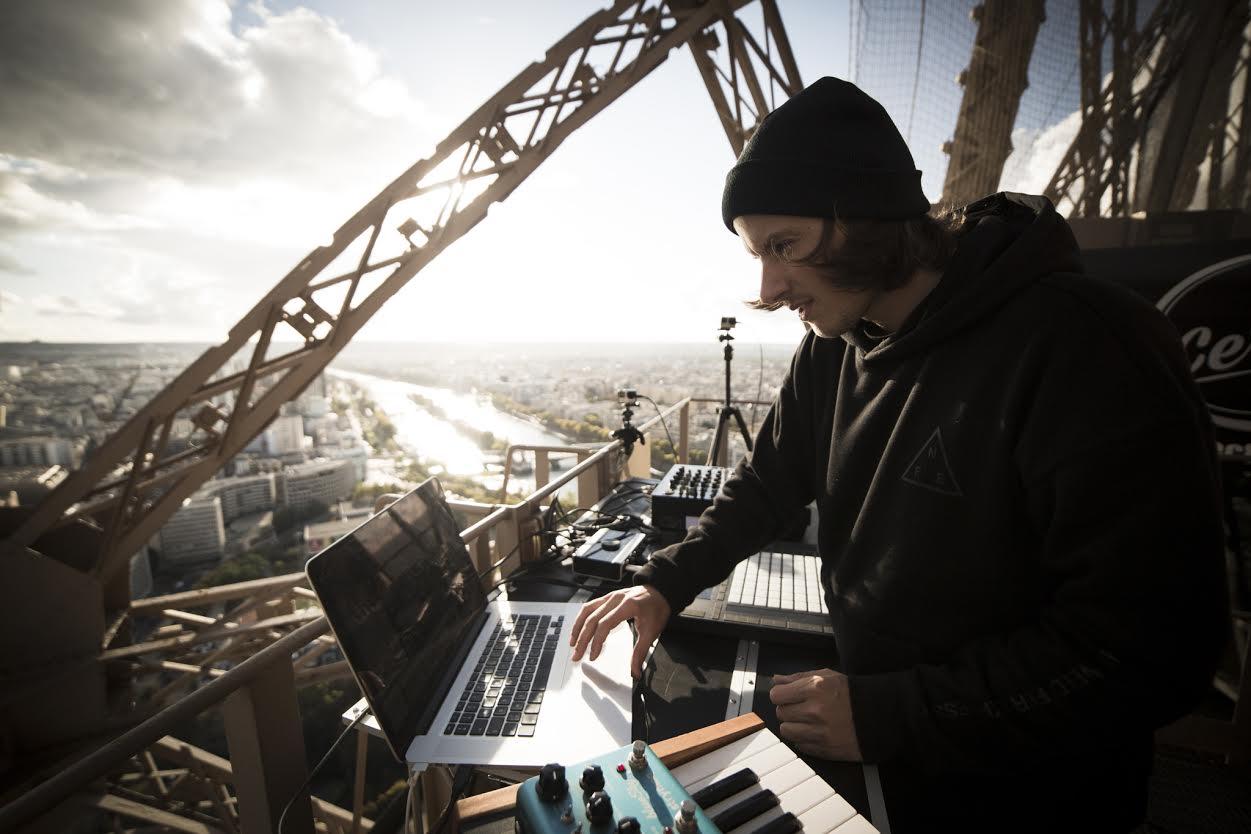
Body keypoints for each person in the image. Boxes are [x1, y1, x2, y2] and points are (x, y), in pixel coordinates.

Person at [567, 77, 1229, 831]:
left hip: (1033, 789)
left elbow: (1151, 646)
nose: (770, 286)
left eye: (783, 247)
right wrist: (663, 582)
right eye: (757, 254)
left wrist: (895, 713)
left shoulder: (1085, 343)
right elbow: (768, 482)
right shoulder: (837, 347)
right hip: (895, 749)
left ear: (867, 217)